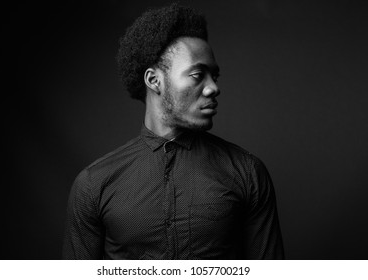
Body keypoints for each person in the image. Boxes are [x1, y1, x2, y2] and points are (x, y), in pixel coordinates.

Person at [62, 3, 284, 260]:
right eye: (198, 75)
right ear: (154, 80)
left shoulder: (247, 173)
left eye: (214, 76)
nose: (213, 88)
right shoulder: (94, 185)